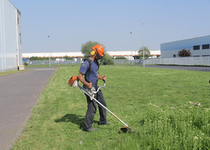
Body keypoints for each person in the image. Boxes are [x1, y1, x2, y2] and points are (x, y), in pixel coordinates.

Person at [78, 44, 110, 132]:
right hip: (89, 87)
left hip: (96, 86)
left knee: (103, 103)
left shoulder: (95, 62)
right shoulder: (86, 63)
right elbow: (80, 76)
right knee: (92, 107)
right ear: (95, 53)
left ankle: (103, 121)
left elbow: (94, 74)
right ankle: (87, 127)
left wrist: (101, 78)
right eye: (100, 55)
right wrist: (86, 83)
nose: (100, 57)